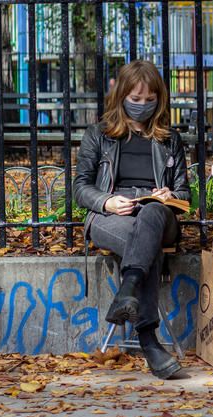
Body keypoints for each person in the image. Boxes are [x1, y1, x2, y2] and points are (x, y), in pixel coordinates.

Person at [74, 60, 189, 379]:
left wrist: (169, 196)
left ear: (159, 99)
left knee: (152, 215)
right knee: (144, 242)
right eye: (135, 99)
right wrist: (107, 201)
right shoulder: (98, 134)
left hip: (157, 214)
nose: (141, 106)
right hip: (112, 217)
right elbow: (80, 186)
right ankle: (149, 339)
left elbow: (186, 194)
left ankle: (129, 290)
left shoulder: (169, 139)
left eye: (149, 100)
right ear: (121, 95)